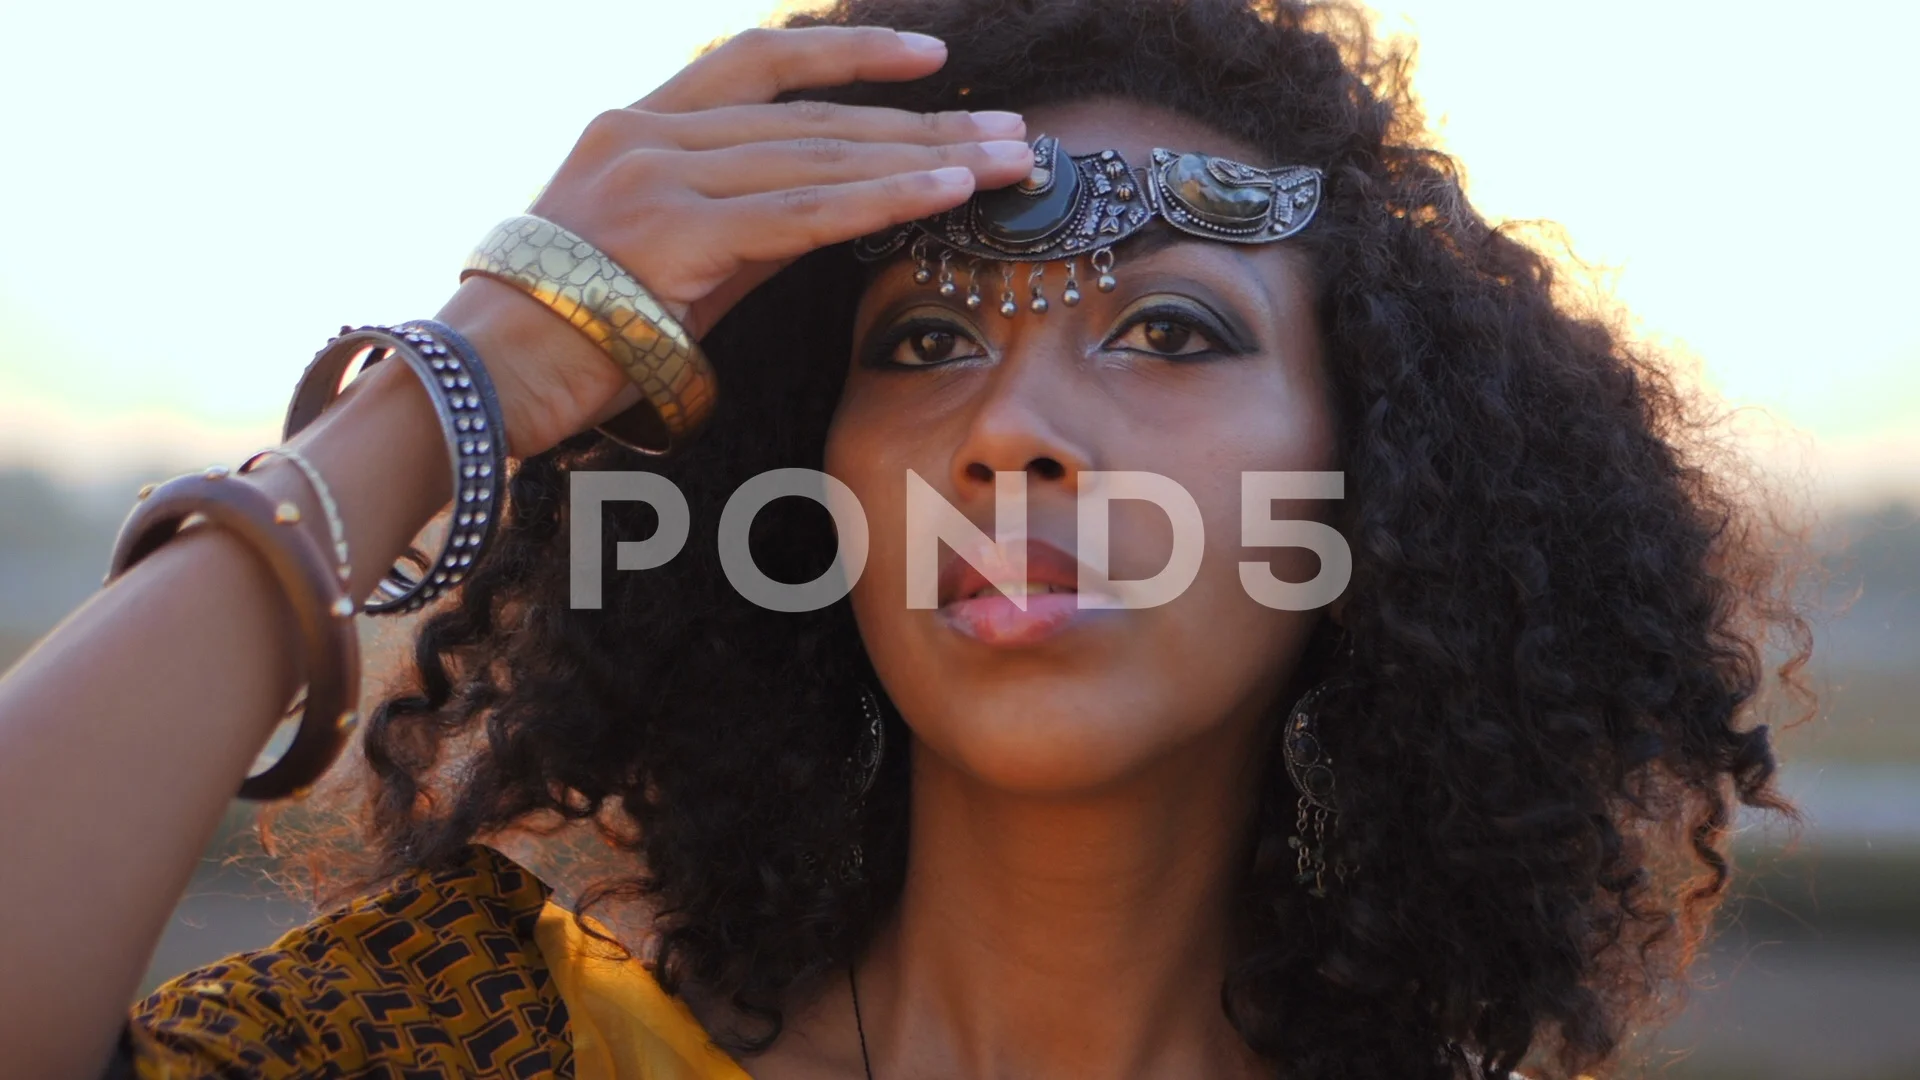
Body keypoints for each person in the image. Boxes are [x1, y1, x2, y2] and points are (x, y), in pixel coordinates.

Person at [0, 0, 1810, 1077]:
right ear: (812, 478)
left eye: (1172, 333)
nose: (1011, 431)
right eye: (926, 344)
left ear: (1374, 482)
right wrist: (464, 370)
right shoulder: (471, 1042)